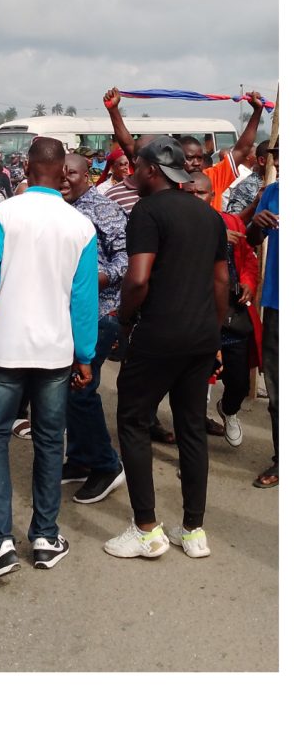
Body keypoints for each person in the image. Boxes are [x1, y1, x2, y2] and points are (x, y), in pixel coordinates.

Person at [0, 137, 98, 583]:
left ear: (26, 166)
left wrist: (4, 291)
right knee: (48, 441)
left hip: (5, 344)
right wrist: (86, 355)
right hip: (56, 350)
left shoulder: (2, 213)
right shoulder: (80, 225)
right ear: (63, 171)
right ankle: (44, 536)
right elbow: (83, 298)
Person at [105, 137, 228, 560]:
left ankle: (146, 529)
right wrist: (212, 332)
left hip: (158, 335)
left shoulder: (147, 211)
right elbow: (221, 282)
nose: (132, 172)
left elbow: (138, 278)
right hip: (200, 337)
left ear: (152, 170)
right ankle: (194, 531)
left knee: (134, 421)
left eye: (136, 166)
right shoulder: (207, 215)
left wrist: (123, 317)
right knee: (192, 429)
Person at [59, 153, 128, 504]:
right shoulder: (56, 209)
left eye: (72, 173)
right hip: (67, 314)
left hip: (102, 313)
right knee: (72, 388)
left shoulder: (104, 209)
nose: (65, 179)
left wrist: (97, 279)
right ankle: (82, 459)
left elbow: (126, 259)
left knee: (80, 389)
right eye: (61, 173)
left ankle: (107, 465)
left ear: (88, 175)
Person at [186, 172, 260, 448]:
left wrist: (249, 284)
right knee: (195, 386)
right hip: (198, 318)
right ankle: (193, 451)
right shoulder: (178, 225)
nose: (195, 199)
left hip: (231, 316)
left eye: (201, 193)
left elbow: (250, 259)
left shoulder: (230, 222)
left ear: (212, 196)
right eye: (189, 194)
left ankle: (229, 410)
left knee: (239, 382)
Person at [103, 87, 265, 210]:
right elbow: (131, 147)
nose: (195, 163)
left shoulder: (213, 177)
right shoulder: (164, 180)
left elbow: (242, 149)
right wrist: (114, 111)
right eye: (189, 158)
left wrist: (257, 111)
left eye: (199, 158)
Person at [246, 148, 278, 489]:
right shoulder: (271, 192)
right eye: (278, 155)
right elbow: (254, 240)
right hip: (276, 304)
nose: (279, 162)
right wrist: (258, 223)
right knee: (279, 390)